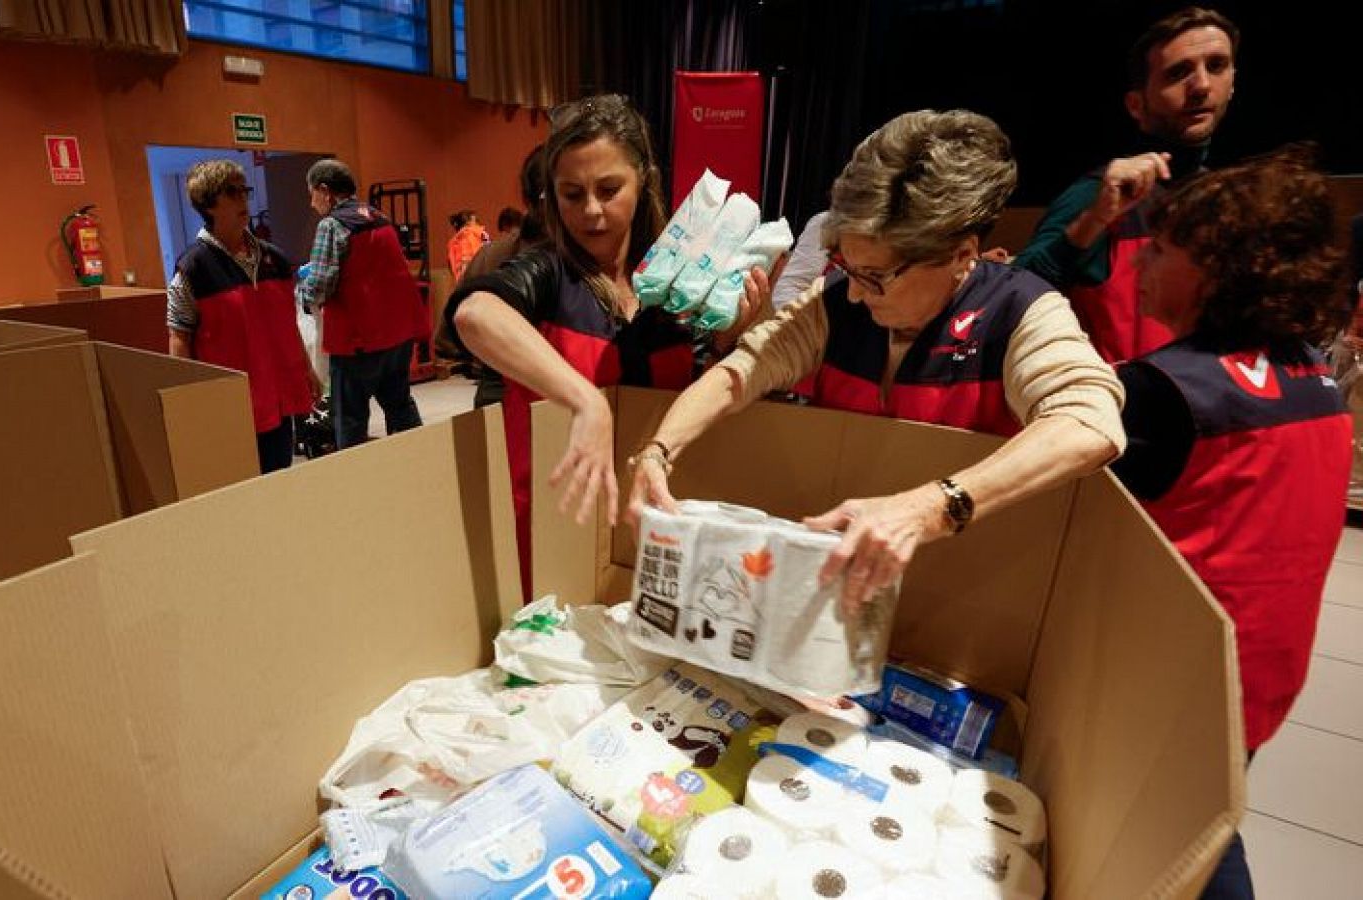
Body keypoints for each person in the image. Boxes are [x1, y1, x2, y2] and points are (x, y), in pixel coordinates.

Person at [624, 109, 1126, 608]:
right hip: (845, 586)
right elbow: (744, 369)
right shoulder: (838, 302)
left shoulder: (1019, 310)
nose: (858, 296)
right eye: (849, 267)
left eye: (877, 277)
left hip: (965, 595)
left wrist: (933, 506)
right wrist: (658, 450)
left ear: (960, 255)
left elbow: (1089, 423)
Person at [1109, 149, 1353, 900]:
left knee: (1186, 849)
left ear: (1219, 268)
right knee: (1210, 821)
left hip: (1172, 685)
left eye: (1163, 247)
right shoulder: (1314, 375)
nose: (1142, 260)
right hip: (1265, 676)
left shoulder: (1162, 392)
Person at [447, 94, 770, 597]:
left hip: (650, 522)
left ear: (643, 182)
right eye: (572, 194)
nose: (591, 211)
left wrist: (732, 335)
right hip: (556, 524)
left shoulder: (676, 281)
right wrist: (584, 399)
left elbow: (704, 390)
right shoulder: (548, 272)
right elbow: (474, 315)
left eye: (609, 189)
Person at [1016, 6, 1239, 363]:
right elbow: (1011, 295)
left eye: (1216, 66)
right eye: (1178, 73)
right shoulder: (1100, 195)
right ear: (1136, 105)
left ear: (1233, 82)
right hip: (1123, 413)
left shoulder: (1228, 200)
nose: (1201, 85)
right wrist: (1091, 222)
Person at [166, 160, 316, 474]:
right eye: (231, 193)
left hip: (276, 397)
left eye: (243, 191)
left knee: (278, 481)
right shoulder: (192, 268)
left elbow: (288, 325)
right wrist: (188, 402)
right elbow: (179, 338)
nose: (243, 199)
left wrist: (307, 370)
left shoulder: (275, 258)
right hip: (230, 405)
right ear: (208, 204)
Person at [299, 158, 430, 449]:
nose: (311, 203)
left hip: (358, 340)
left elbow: (320, 285)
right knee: (400, 405)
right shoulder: (380, 218)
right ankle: (420, 458)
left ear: (325, 190)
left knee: (350, 418)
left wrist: (305, 294)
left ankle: (357, 482)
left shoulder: (331, 225)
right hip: (398, 335)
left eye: (311, 194)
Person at [456, 144, 549, 409]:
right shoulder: (576, 260)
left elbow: (449, 340)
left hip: (496, 387)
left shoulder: (490, 252)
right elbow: (462, 320)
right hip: (515, 394)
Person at [446, 209, 489, 283]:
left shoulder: (453, 242)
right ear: (469, 223)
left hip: (463, 283)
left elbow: (451, 266)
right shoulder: (476, 235)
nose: (479, 224)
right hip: (477, 280)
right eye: (476, 221)